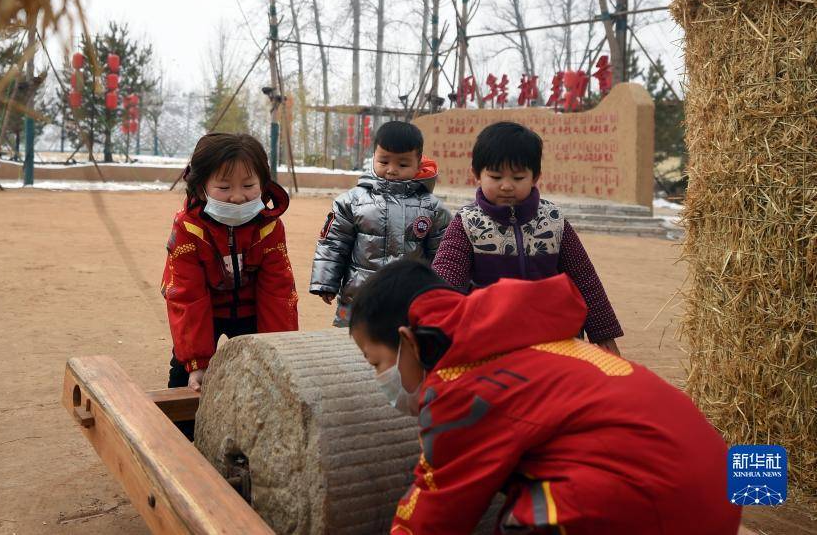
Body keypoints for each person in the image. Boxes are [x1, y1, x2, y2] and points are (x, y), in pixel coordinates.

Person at [349, 259, 742, 535]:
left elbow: (439, 509)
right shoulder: (528, 342)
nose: (379, 377)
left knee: (524, 519)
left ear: (407, 342)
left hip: (661, 507)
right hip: (716, 495)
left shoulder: (460, 385)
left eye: (376, 362)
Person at [431, 121, 623, 353]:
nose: (507, 186)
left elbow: (584, 278)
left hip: (555, 339)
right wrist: (433, 330)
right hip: (491, 340)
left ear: (535, 177)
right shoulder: (467, 222)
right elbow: (445, 278)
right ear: (477, 175)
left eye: (518, 178)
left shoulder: (554, 220)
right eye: (496, 176)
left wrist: (603, 334)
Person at [162, 133, 298, 397]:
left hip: (252, 309)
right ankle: (180, 432)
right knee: (184, 380)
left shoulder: (269, 227)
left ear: (263, 183)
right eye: (224, 188)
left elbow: (278, 292)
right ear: (201, 188)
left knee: (267, 380)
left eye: (248, 185)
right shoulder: (188, 228)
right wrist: (197, 362)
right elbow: (187, 296)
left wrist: (279, 349)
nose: (238, 197)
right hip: (205, 310)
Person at [310, 120, 452, 327]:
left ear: (419, 161)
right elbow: (333, 243)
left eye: (402, 164)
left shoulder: (433, 208)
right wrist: (325, 281)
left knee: (405, 349)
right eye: (384, 162)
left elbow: (443, 255)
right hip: (358, 299)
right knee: (348, 347)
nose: (392, 170)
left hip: (411, 301)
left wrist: (442, 292)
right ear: (374, 156)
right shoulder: (351, 202)